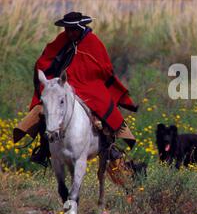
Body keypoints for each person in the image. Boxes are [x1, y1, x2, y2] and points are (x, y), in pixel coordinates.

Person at [13, 12, 138, 167]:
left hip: (89, 85)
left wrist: (80, 78)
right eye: (67, 30)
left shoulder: (93, 42)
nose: (70, 33)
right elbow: (44, 61)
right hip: (62, 83)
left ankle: (109, 147)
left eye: (73, 30)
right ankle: (44, 148)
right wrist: (52, 80)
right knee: (43, 109)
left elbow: (104, 69)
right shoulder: (62, 39)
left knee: (102, 109)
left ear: (81, 28)